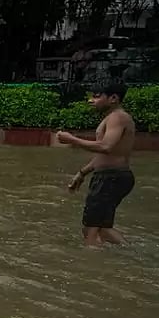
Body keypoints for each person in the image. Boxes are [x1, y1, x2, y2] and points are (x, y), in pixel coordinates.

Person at [58, 81, 136, 246]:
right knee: (102, 228)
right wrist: (82, 173)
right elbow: (106, 154)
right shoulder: (114, 117)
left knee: (90, 231)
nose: (91, 100)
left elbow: (106, 147)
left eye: (96, 96)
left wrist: (71, 139)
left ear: (113, 98)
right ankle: (132, 256)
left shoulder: (117, 117)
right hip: (112, 177)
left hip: (110, 178)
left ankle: (94, 267)